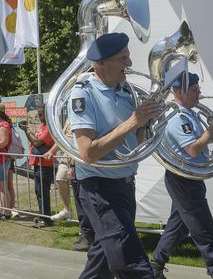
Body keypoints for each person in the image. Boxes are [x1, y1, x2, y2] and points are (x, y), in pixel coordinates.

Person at [67, 32, 163, 279]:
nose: (129, 64)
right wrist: (133, 121)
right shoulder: (83, 93)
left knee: (101, 262)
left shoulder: (126, 93)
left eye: (127, 57)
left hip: (124, 187)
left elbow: (134, 144)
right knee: (132, 265)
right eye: (122, 59)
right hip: (100, 190)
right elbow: (88, 152)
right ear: (100, 64)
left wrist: (147, 124)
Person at [150, 73, 213, 279]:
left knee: (177, 227)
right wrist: (211, 133)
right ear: (179, 92)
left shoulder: (189, 114)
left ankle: (155, 268)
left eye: (198, 88)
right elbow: (192, 149)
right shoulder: (177, 118)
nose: (199, 93)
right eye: (195, 89)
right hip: (184, 180)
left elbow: (201, 143)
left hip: (188, 179)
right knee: (204, 230)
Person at [20, 106, 55, 227]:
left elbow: (37, 142)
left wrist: (27, 131)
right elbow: (33, 141)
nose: (39, 118)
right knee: (39, 191)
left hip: (45, 164)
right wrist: (27, 132)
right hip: (37, 163)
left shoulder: (50, 128)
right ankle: (42, 216)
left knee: (43, 192)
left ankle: (46, 219)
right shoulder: (42, 127)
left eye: (40, 115)